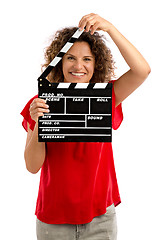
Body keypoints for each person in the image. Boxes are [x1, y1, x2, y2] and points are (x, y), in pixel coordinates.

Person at [21, 13, 151, 240]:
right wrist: (39, 123)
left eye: (87, 59)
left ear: (97, 63)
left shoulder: (105, 98)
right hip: (53, 218)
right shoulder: (39, 104)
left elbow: (142, 71)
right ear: (59, 61)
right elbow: (32, 166)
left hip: (101, 216)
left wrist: (110, 29)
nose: (78, 66)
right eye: (70, 58)